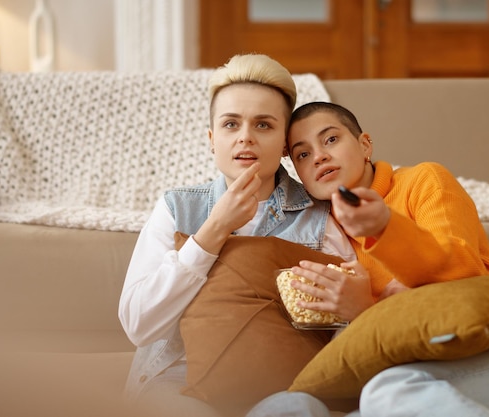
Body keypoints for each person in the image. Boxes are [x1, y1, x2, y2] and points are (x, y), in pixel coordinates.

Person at [245, 102, 489, 417]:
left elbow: (463, 275)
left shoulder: (423, 181)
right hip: (409, 377)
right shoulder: (317, 229)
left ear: (364, 144)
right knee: (287, 405)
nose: (320, 156)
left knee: (387, 393)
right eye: (303, 154)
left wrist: (382, 236)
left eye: (330, 139)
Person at [118, 57, 355, 417]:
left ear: (285, 145)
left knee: (300, 408)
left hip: (278, 382)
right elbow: (139, 327)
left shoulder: (319, 217)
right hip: (176, 382)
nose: (245, 136)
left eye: (263, 124)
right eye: (231, 124)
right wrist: (211, 233)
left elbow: (345, 324)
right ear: (213, 140)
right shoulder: (176, 208)